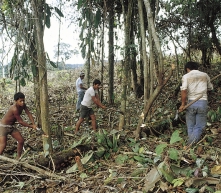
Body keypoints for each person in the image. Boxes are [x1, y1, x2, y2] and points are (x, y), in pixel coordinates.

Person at [179, 61, 213, 145]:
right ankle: (191, 145)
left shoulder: (186, 76)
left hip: (191, 103)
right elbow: (210, 88)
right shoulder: (205, 75)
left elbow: (184, 90)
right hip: (202, 102)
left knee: (190, 126)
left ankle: (189, 145)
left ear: (187, 68)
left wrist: (183, 104)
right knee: (199, 126)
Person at [0, 92, 37, 159]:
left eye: (23, 100)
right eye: (20, 101)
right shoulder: (14, 109)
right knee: (3, 145)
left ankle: (18, 158)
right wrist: (31, 126)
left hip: (11, 126)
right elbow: (20, 122)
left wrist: (33, 123)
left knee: (21, 140)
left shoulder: (23, 105)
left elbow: (29, 114)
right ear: (16, 101)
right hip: (3, 127)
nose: (22, 102)